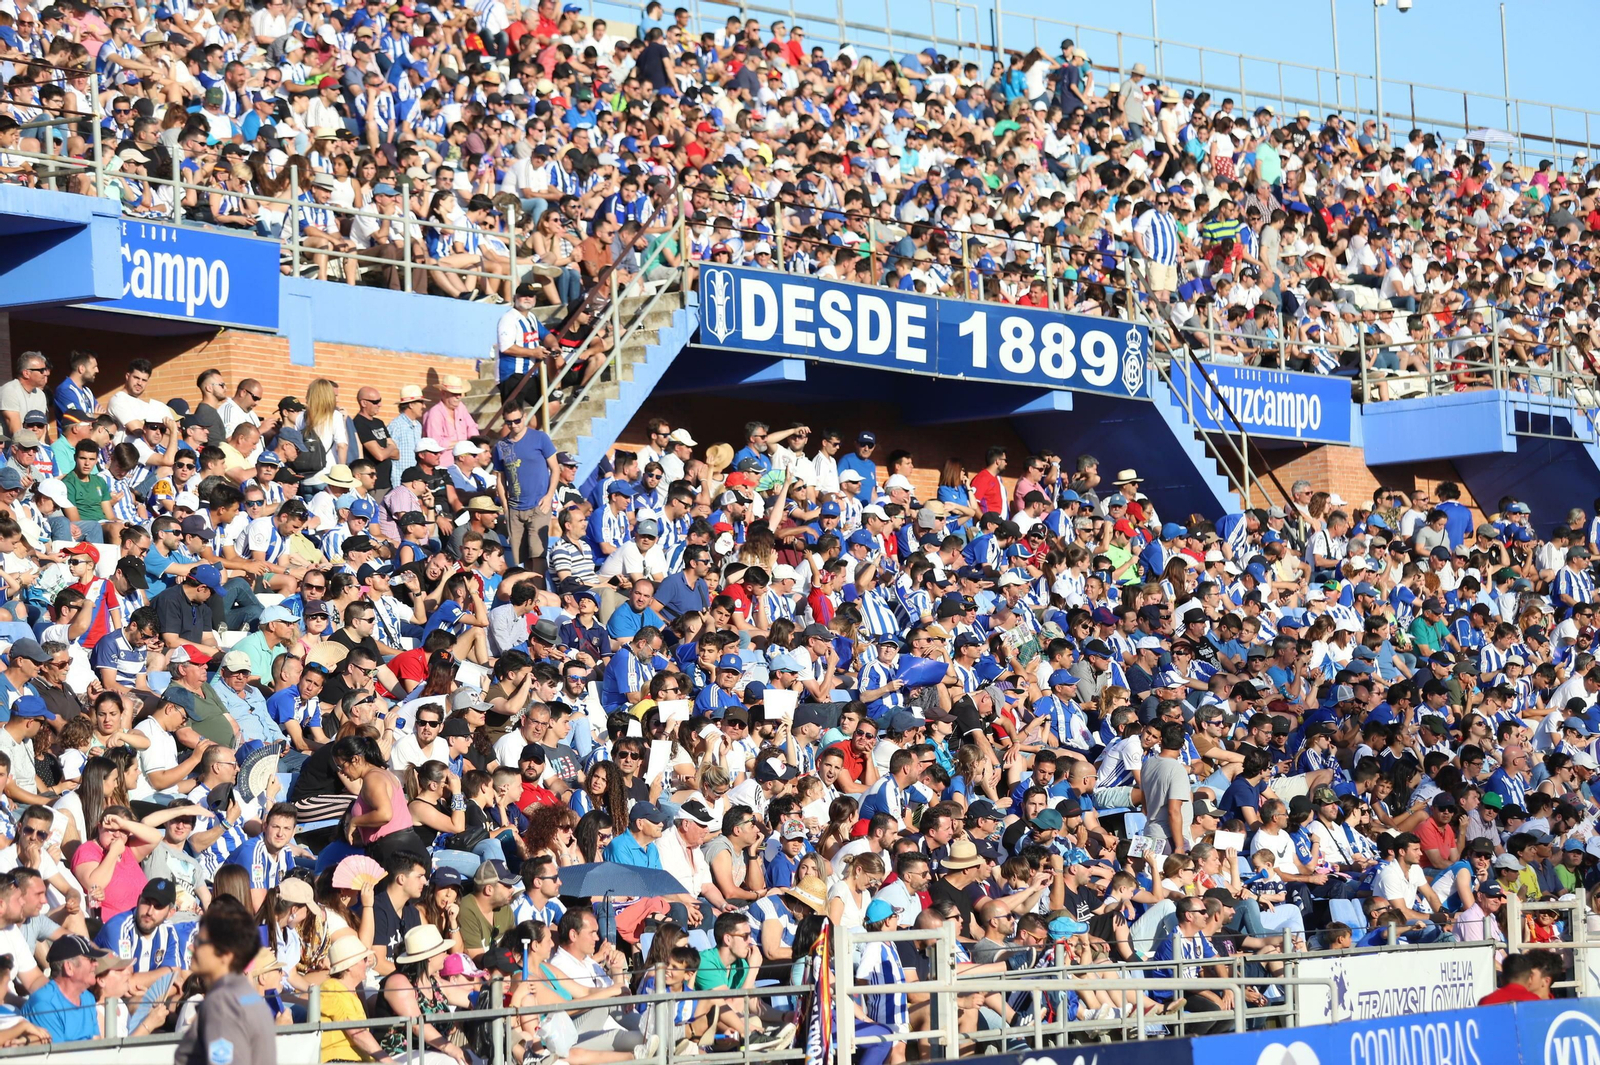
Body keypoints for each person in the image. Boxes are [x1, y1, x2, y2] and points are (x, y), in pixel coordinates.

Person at [174, 897, 279, 1065]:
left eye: (200, 942)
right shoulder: (247, 997)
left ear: (225, 955)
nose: (191, 948)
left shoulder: (222, 1004)